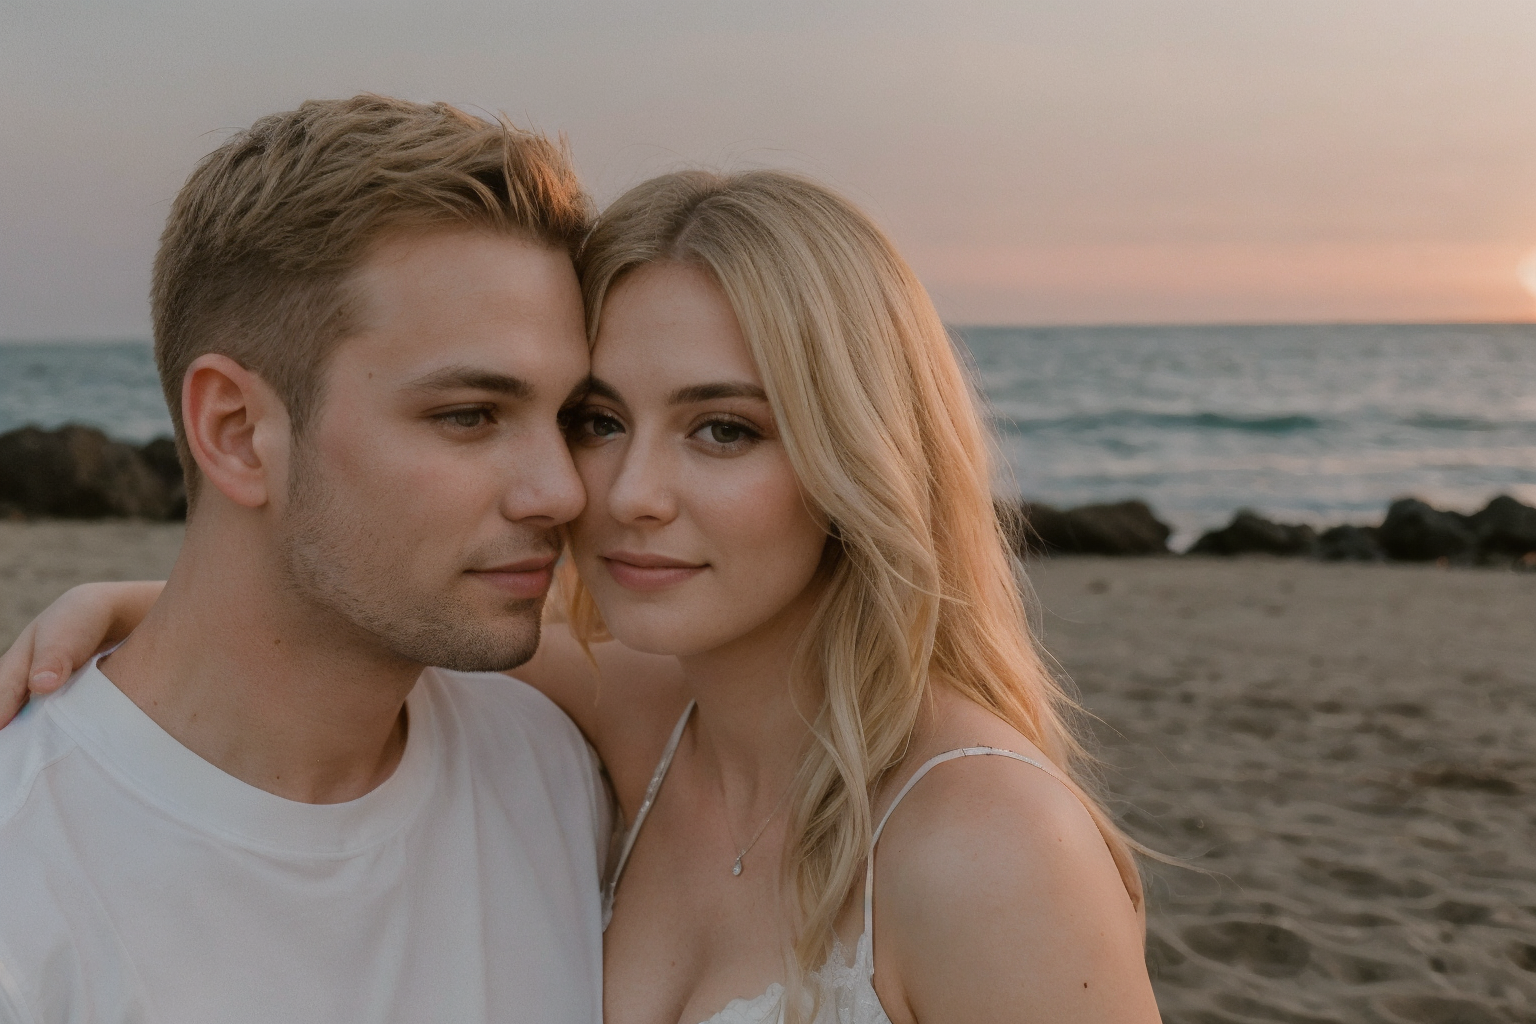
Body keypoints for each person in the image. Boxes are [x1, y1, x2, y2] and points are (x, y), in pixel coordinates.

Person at [2, 172, 1163, 1022]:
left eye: (725, 429)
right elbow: (313, 616)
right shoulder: (639, 727)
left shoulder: (987, 847)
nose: (615, 493)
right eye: (602, 420)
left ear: (857, 458)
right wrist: (138, 603)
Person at [0, 96, 611, 1023]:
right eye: (470, 415)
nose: (562, 491)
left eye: (574, 419)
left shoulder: (555, 769)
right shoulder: (26, 880)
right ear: (237, 433)